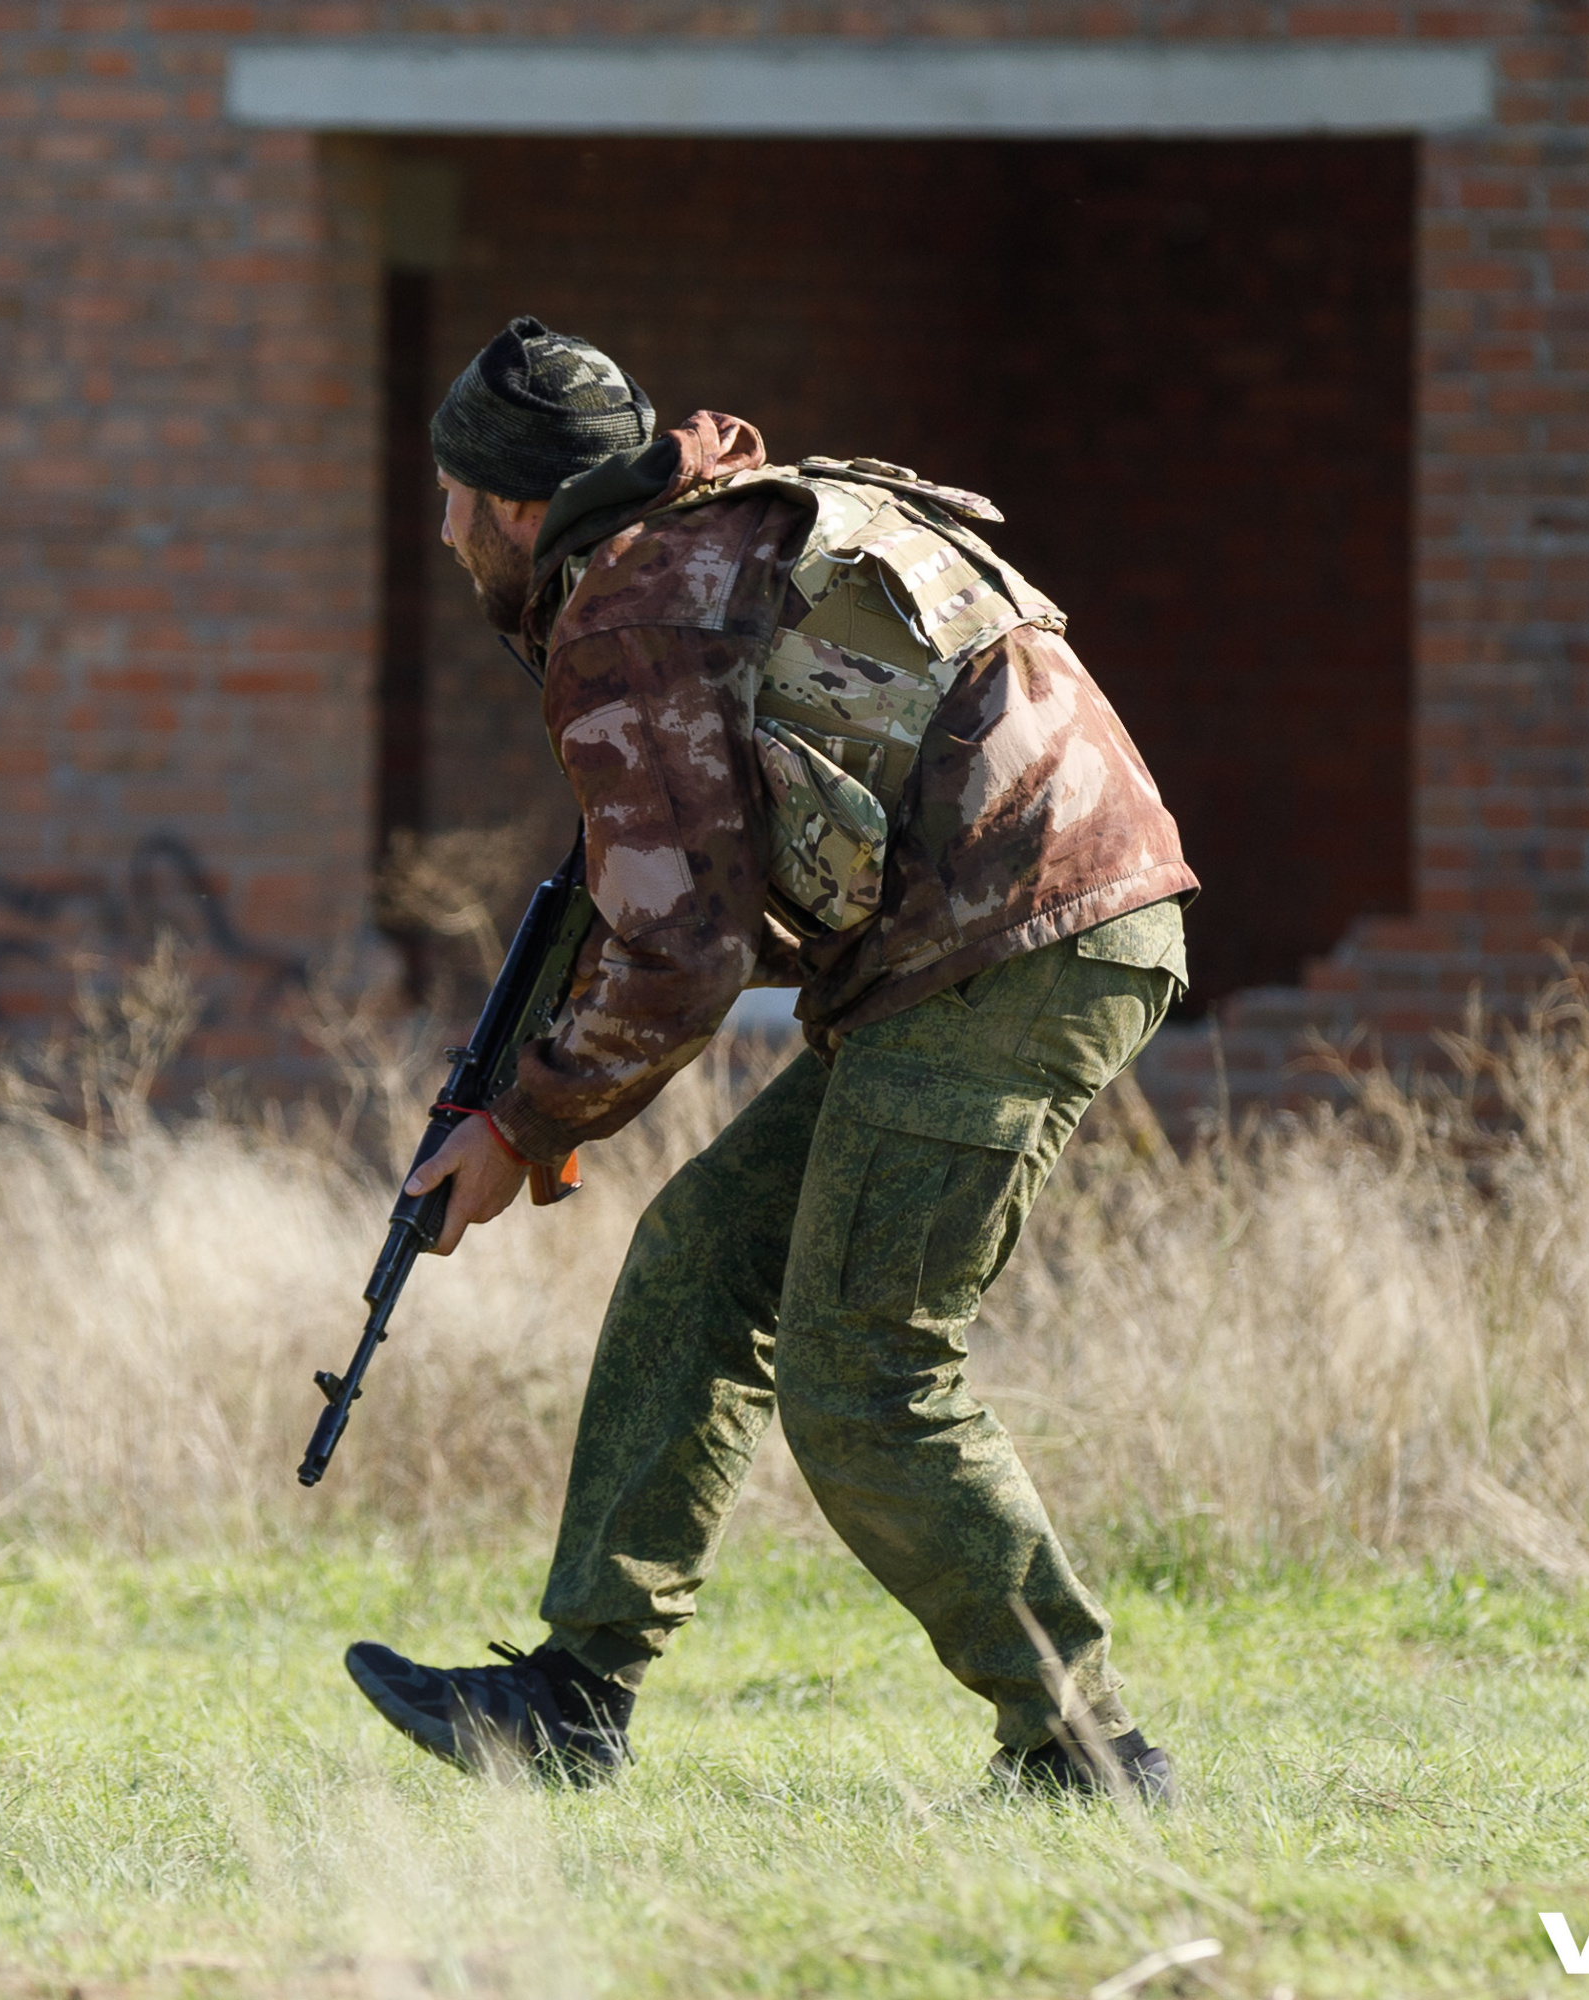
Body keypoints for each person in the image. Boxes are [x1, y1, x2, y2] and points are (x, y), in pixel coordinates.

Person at [343, 316, 1199, 1802]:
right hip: (1007, 936)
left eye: (451, 499)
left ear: (519, 510)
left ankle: (1088, 1755)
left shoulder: (628, 616)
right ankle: (572, 1696)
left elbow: (684, 957)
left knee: (865, 1374)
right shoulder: (714, 538)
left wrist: (526, 1124)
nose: (440, 528)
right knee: (697, 1261)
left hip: (1012, 952)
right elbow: (685, 896)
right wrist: (534, 1100)